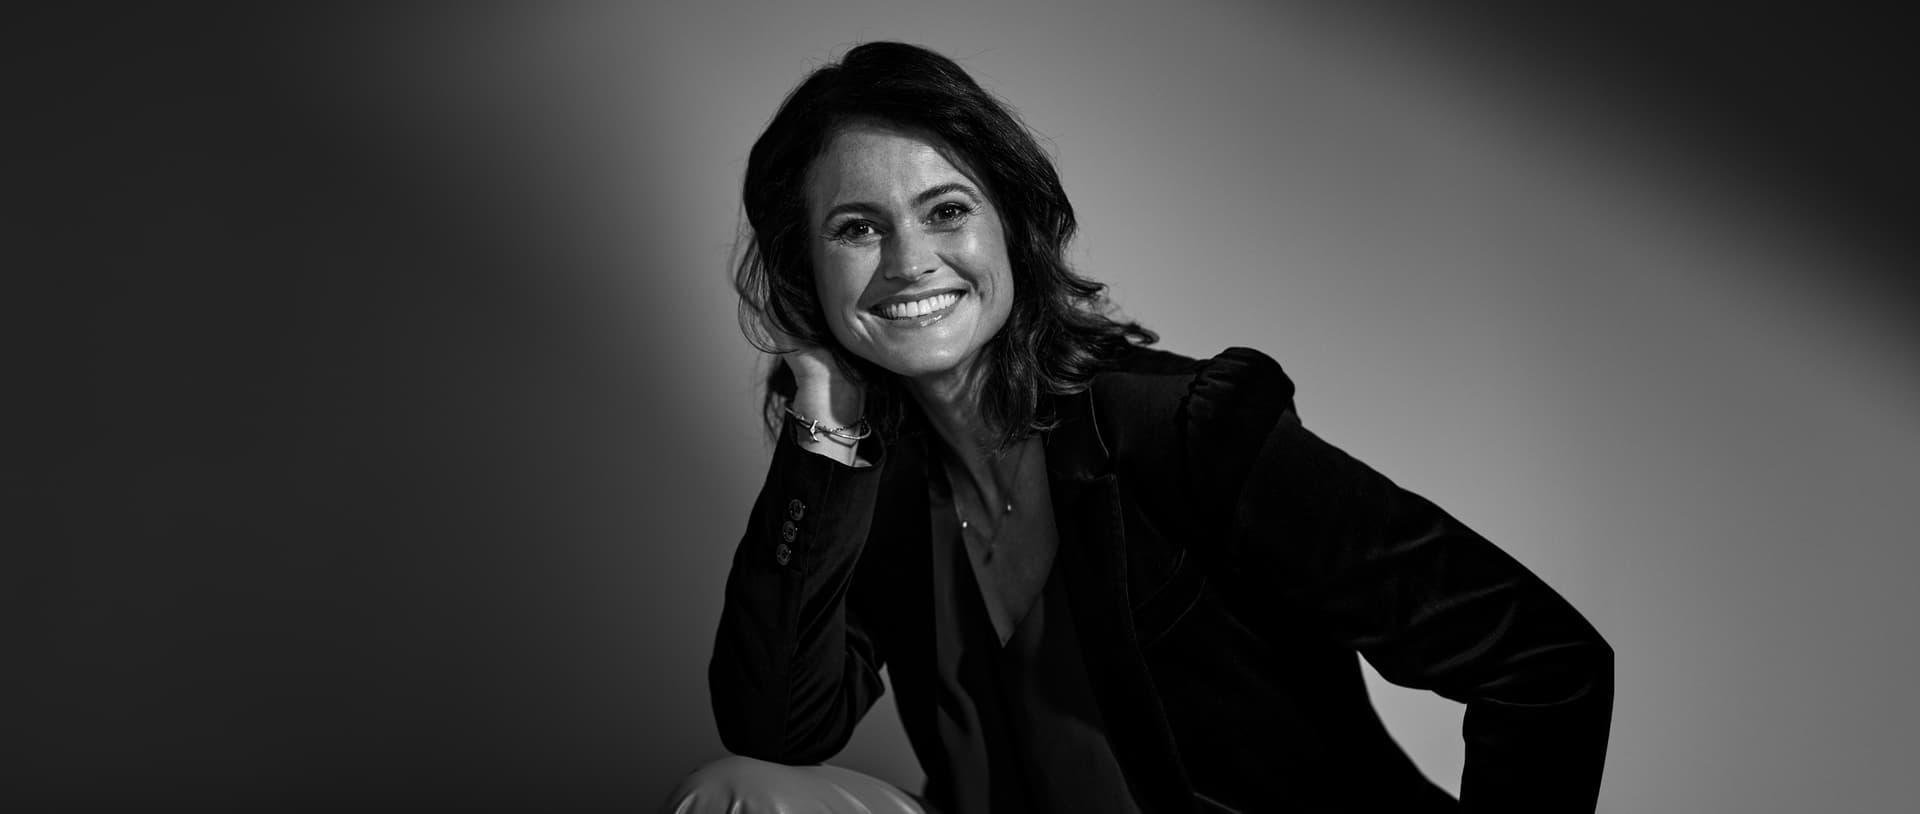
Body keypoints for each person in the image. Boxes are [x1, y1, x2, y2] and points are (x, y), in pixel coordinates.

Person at [665, 42, 1613, 814]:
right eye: (857, 228)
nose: (909, 262)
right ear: (806, 272)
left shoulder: (1182, 430)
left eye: (946, 211)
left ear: (1011, 229)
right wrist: (823, 431)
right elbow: (777, 731)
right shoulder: (879, 483)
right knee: (734, 795)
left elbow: (1541, 660)